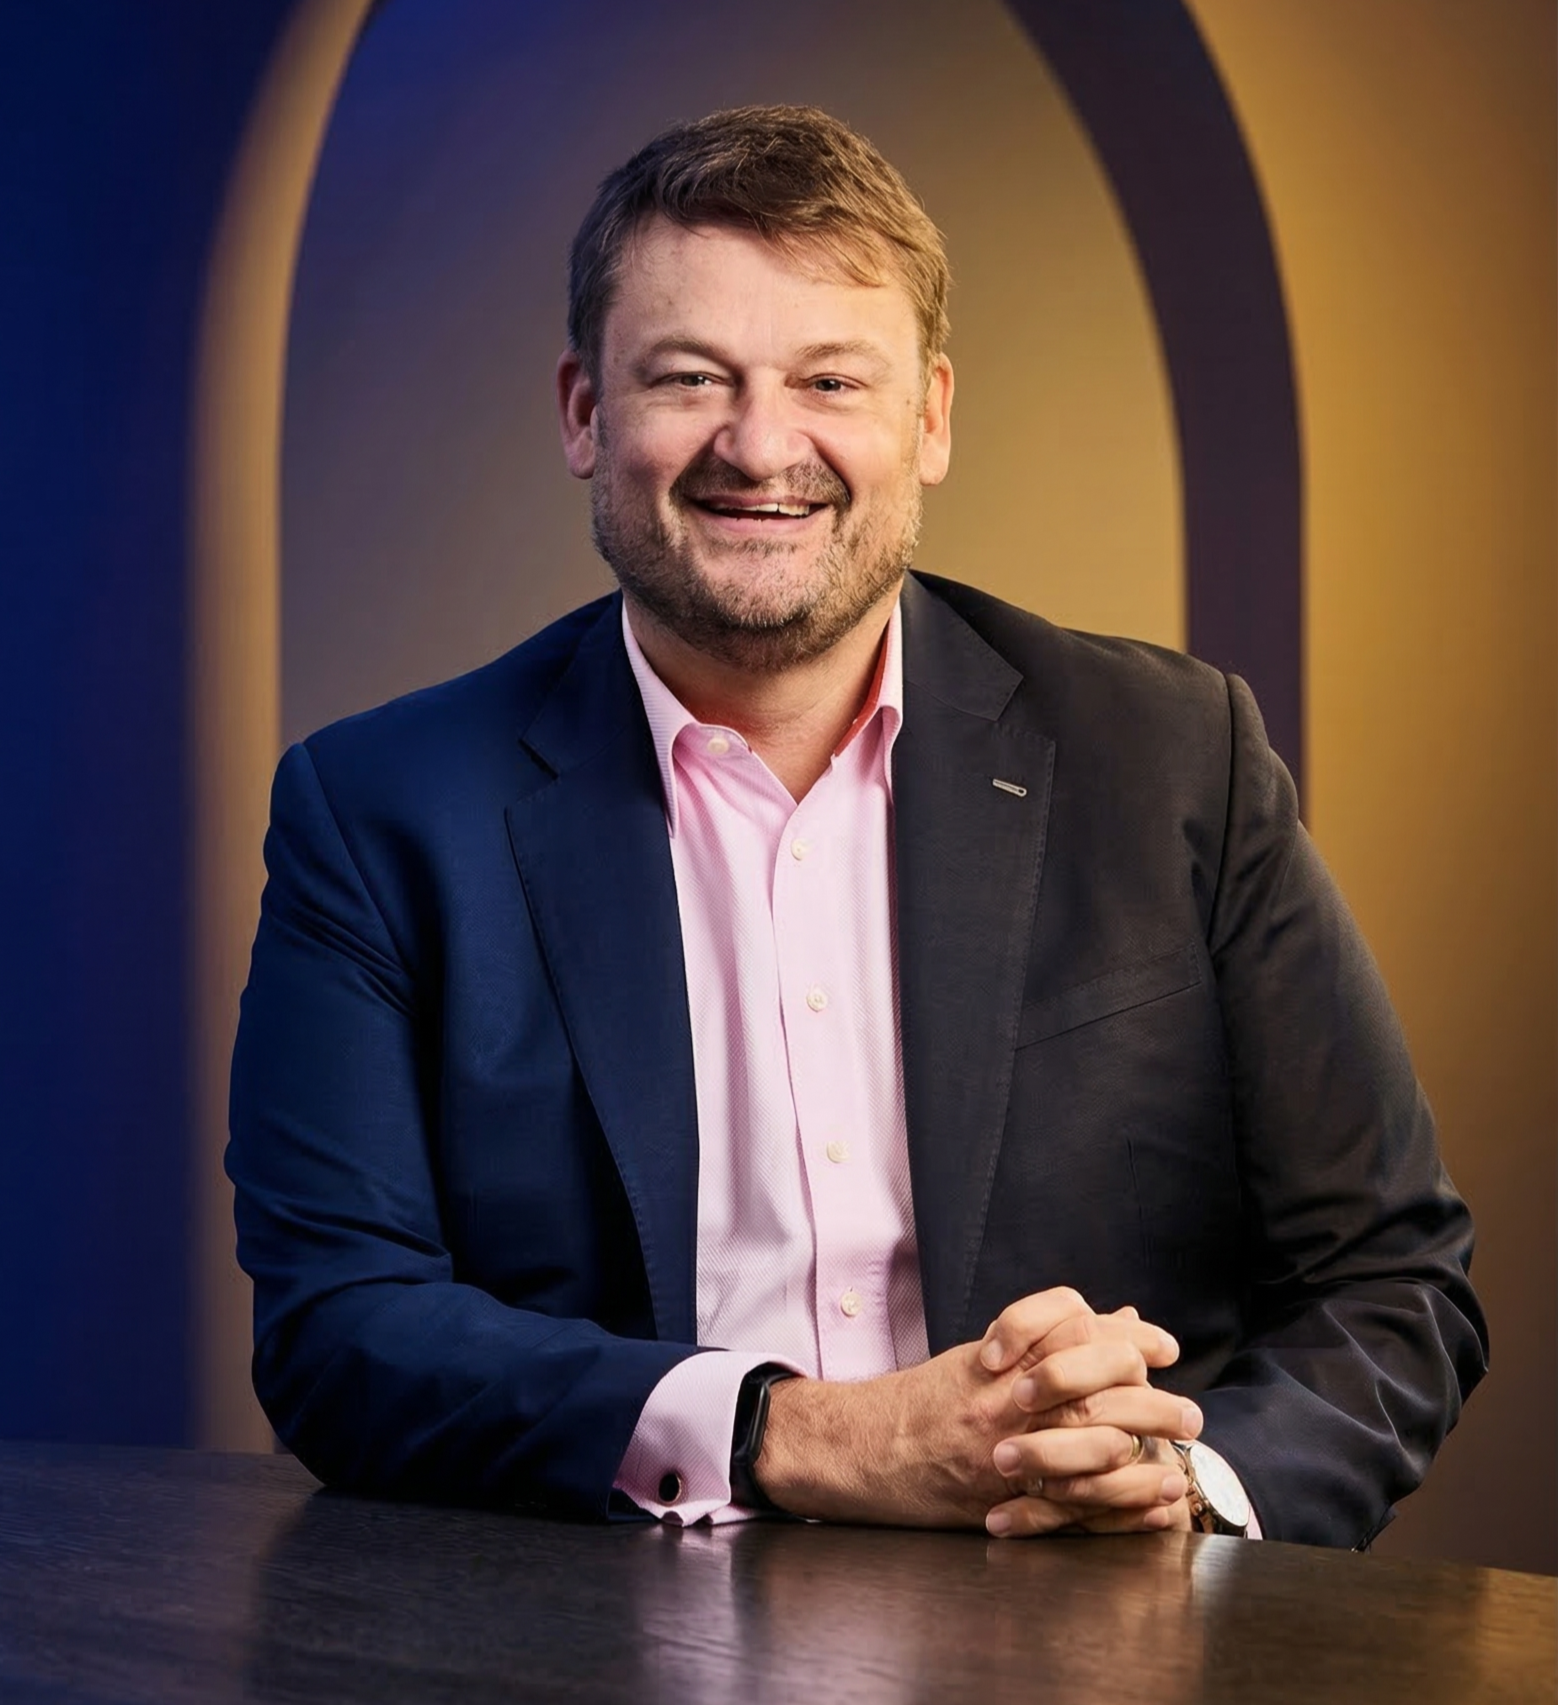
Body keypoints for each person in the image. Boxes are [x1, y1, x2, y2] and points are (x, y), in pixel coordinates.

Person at [228, 104, 1486, 1547]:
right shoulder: (379, 810)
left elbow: (1390, 1281)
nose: (761, 446)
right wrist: (797, 1434)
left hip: (1092, 1624)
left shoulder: (1178, 757)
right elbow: (340, 1330)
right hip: (602, 1633)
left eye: (830, 379)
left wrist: (1182, 1508)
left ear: (929, 418)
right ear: (584, 413)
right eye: (689, 377)